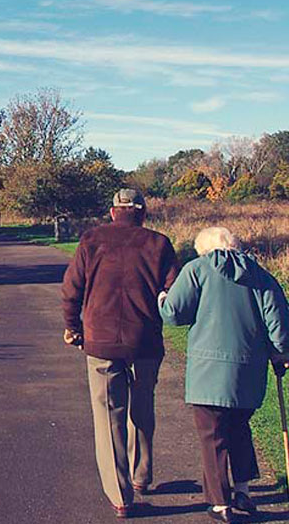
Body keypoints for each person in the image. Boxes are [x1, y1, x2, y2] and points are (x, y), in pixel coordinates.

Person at [160, 226, 289, 523]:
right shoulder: (260, 274)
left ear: (204, 249)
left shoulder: (196, 270)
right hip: (249, 370)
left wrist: (161, 299)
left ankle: (220, 503)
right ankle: (243, 490)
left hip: (208, 372)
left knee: (212, 435)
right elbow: (278, 322)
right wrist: (281, 352)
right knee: (239, 427)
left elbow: (174, 314)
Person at [61, 188, 180, 518]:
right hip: (145, 341)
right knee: (142, 408)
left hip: (101, 341)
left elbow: (71, 289)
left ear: (113, 212)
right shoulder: (159, 243)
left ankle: (121, 495)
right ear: (142, 213)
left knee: (108, 417)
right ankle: (141, 475)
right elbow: (174, 292)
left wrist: (73, 326)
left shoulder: (91, 240)